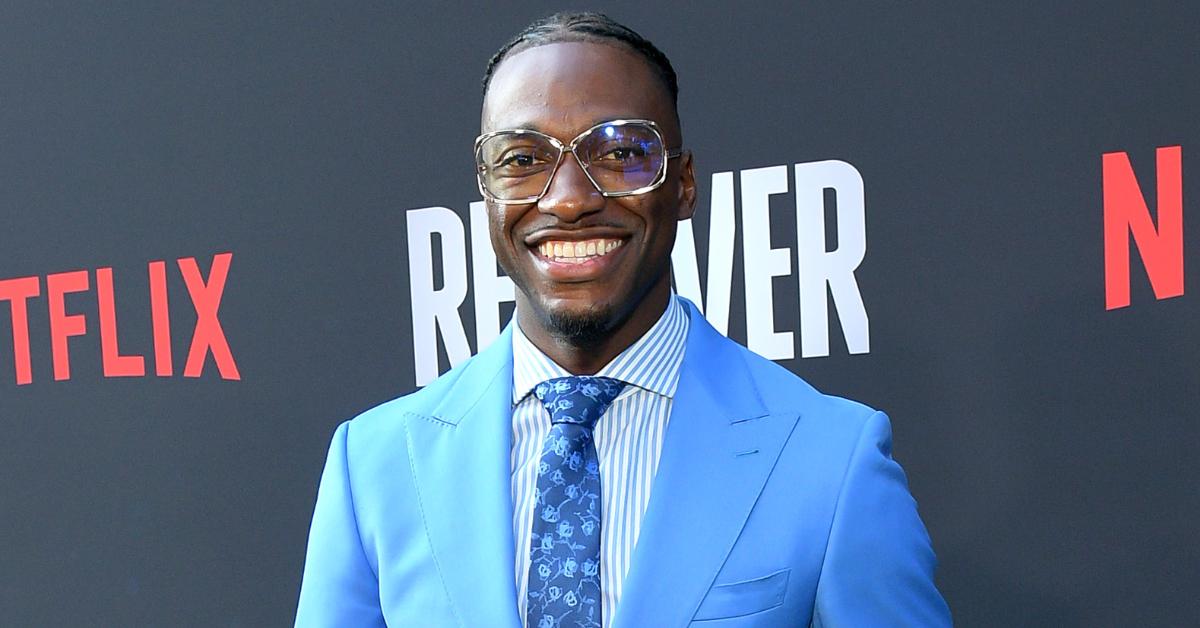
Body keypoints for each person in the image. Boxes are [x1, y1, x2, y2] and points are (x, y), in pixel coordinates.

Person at [295, 11, 951, 628]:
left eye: (620, 153)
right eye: (523, 160)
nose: (570, 198)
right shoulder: (373, 466)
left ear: (684, 183)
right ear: (486, 190)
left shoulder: (832, 461)